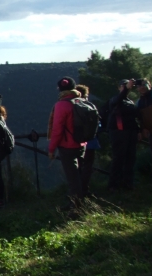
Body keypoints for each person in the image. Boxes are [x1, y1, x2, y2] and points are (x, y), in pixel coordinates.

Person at [47, 77, 87, 210]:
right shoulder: (81, 101)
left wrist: (51, 148)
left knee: (72, 177)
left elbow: (57, 129)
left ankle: (76, 206)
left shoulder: (62, 105)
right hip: (82, 144)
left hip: (67, 146)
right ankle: (82, 200)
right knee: (80, 174)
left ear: (60, 89)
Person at [104, 79, 139, 191]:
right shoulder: (114, 99)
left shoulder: (130, 102)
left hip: (131, 132)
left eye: (127, 85)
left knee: (130, 158)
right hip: (118, 132)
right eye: (123, 86)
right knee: (118, 158)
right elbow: (118, 100)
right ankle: (113, 184)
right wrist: (126, 89)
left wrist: (139, 130)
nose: (125, 87)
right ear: (119, 88)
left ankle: (128, 182)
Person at [75, 84, 100, 197]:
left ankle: (77, 190)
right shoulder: (90, 106)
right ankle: (84, 189)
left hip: (76, 141)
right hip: (90, 141)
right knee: (88, 167)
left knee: (77, 167)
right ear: (86, 95)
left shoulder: (73, 106)